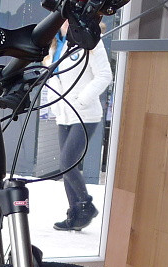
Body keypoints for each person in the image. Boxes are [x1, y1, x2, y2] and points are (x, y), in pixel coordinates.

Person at [48, 20, 112, 232]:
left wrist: (82, 100)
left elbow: (105, 75)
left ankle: (86, 205)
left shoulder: (91, 41)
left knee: (67, 162)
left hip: (84, 113)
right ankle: (75, 214)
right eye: (64, 17)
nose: (66, 22)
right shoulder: (57, 45)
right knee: (67, 166)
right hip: (63, 113)